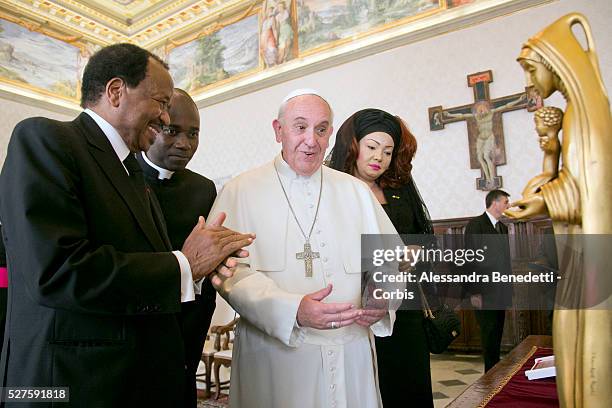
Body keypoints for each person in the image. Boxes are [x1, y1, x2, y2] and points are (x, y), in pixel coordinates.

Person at [0, 43, 253, 406]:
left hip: (132, 382)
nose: (165, 118)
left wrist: (202, 265)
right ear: (116, 91)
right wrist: (184, 264)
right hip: (70, 385)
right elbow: (56, 271)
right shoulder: (47, 140)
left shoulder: (131, 171)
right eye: (161, 102)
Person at [207, 89, 399, 408]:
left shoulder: (355, 192)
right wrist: (292, 309)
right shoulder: (240, 190)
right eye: (300, 127)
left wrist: (383, 294)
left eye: (321, 129)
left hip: (351, 351)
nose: (311, 140)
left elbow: (391, 258)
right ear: (278, 130)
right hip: (276, 357)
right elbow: (228, 274)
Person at [508, 14, 612, 407]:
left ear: (557, 63)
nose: (531, 83)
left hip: (591, 259)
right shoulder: (577, 113)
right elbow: (575, 180)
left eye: (533, 70)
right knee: (568, 333)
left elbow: (595, 188)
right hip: (579, 253)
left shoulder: (585, 114)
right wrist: (549, 161)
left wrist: (542, 201)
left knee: (582, 337)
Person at [328, 108, 434, 407]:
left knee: (410, 383)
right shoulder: (333, 189)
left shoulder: (399, 189)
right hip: (356, 306)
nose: (379, 158)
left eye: (387, 151)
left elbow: (423, 237)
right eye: (372, 147)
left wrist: (414, 254)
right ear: (354, 146)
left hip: (404, 308)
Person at [136, 88, 218, 407]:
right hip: (136, 333)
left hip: (186, 326)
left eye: (193, 134)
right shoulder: (123, 177)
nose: (184, 143)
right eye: (172, 131)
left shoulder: (203, 189)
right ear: (153, 127)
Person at [464, 189, 512, 372]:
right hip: (484, 292)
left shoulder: (502, 228)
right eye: (506, 202)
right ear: (495, 203)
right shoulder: (476, 225)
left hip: (501, 291)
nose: (508, 205)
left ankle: (495, 371)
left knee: (497, 331)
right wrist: (474, 292)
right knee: (488, 332)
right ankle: (490, 375)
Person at [444, 97, 525, 188]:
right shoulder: (476, 116)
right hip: (480, 138)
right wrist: (449, 115)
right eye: (479, 109)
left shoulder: (491, 113)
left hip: (489, 137)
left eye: (483, 109)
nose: (481, 111)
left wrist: (519, 100)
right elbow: (462, 115)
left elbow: (505, 106)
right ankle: (488, 179)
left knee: (486, 156)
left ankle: (492, 178)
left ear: (486, 108)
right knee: (480, 158)